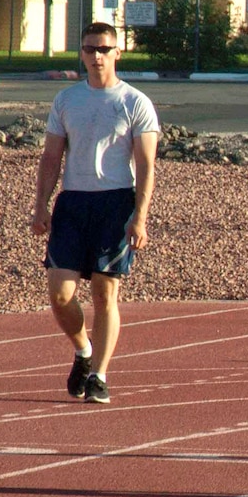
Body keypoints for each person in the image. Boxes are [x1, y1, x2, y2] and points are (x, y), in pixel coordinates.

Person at [30, 21, 161, 403]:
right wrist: (40, 205)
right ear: (82, 54)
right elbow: (51, 156)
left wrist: (140, 215)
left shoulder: (135, 102)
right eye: (90, 49)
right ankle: (83, 352)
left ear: (118, 52)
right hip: (73, 202)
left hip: (114, 202)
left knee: (105, 294)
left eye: (104, 49)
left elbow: (147, 165)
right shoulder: (67, 100)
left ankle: (100, 376)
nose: (97, 56)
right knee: (60, 295)